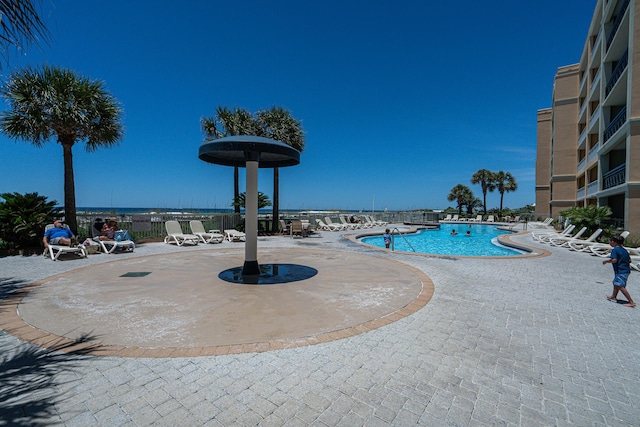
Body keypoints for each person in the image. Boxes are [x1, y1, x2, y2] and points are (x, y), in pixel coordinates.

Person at [603, 234, 635, 308]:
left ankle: (631, 302)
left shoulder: (615, 250)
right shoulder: (624, 250)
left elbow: (614, 260)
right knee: (616, 283)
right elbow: (630, 260)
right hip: (625, 270)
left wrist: (606, 261)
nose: (609, 243)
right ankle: (613, 296)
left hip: (621, 271)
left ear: (614, 242)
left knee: (620, 286)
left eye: (610, 241)